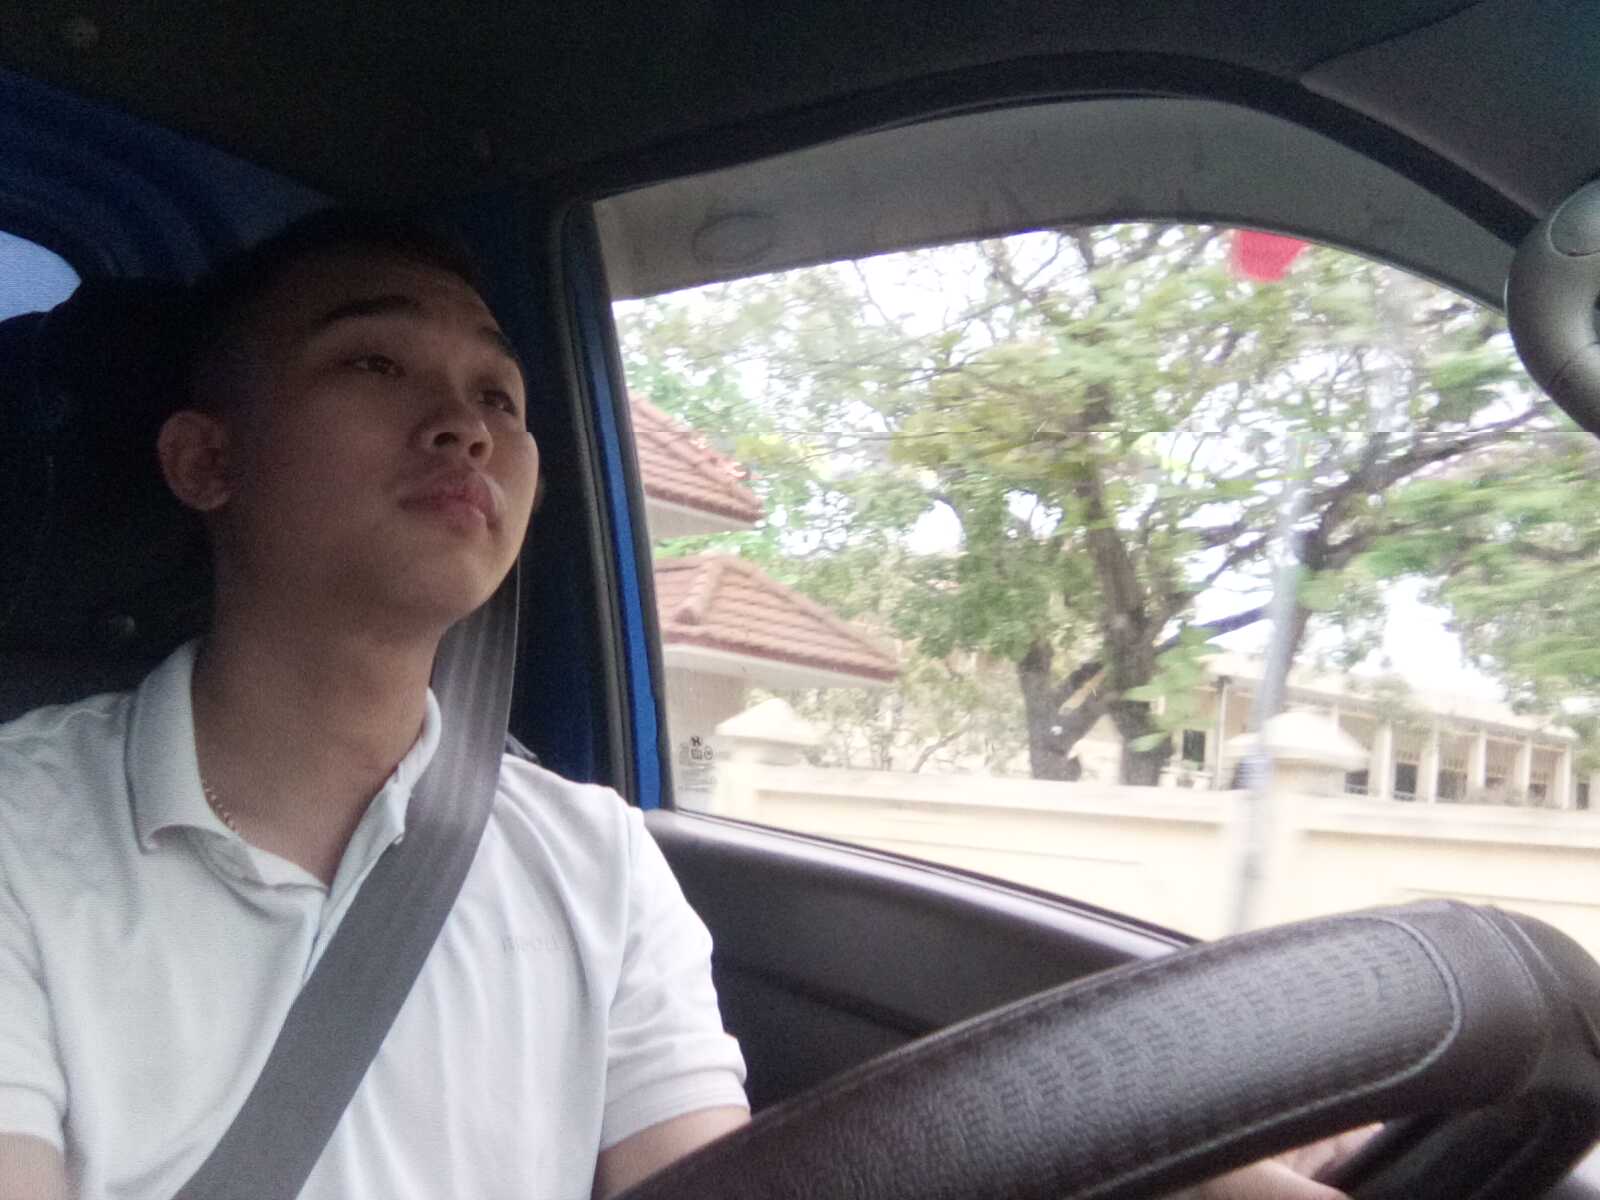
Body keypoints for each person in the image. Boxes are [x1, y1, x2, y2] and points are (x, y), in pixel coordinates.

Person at [0, 210, 1356, 1199]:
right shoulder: (20, 834)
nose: (466, 426)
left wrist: (1155, 1154)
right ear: (206, 460)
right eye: (373, 365)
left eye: (499, 394)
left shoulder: (593, 857)